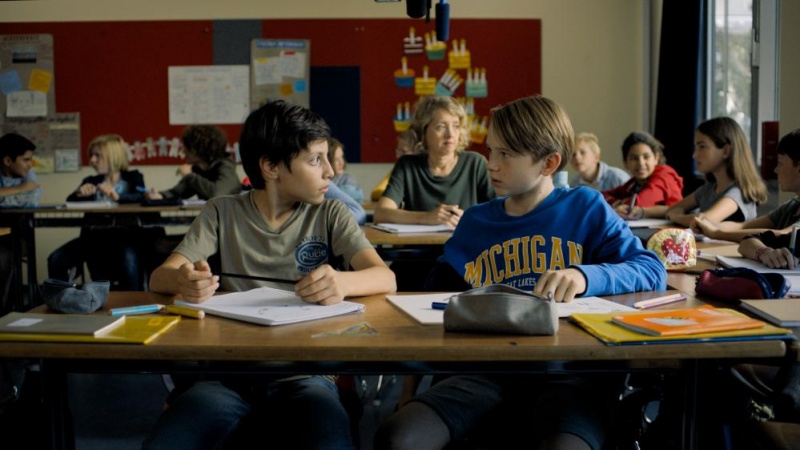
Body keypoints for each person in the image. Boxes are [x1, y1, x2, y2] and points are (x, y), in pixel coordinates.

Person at [375, 95, 666, 450]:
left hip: (569, 373)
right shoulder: (476, 221)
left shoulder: (585, 206)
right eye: (491, 151)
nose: (491, 164)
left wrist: (585, 276)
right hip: (489, 371)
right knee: (398, 438)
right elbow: (436, 294)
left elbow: (651, 269)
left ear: (549, 163)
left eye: (505, 154)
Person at [143, 99, 396, 450]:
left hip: (307, 374)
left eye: (327, 158)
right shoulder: (222, 211)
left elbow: (385, 277)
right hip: (227, 373)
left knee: (330, 440)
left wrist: (342, 282)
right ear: (271, 167)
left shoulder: (331, 214)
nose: (329, 172)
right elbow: (160, 277)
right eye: (315, 159)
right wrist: (184, 281)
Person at [46, 134, 162, 290]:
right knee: (56, 259)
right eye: (91, 155)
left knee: (129, 259)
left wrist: (118, 197)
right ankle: (63, 300)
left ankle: (134, 302)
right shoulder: (91, 180)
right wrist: (79, 194)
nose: (92, 160)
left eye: (97, 155)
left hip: (126, 238)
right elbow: (70, 201)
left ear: (113, 156)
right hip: (94, 239)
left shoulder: (133, 177)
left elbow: (141, 197)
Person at [373, 95, 494, 228]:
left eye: (456, 126)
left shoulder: (475, 163)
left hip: (465, 241)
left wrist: (468, 218)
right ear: (423, 131)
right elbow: (381, 213)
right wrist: (427, 217)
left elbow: (501, 211)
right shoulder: (407, 165)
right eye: (441, 127)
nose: (450, 134)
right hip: (419, 241)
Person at [693, 128, 800, 244]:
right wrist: (708, 226)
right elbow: (743, 226)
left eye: (780, 163)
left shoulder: (737, 191)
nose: (776, 170)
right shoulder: (791, 207)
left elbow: (784, 235)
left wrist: (717, 233)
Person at [664, 117, 767, 227]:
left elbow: (703, 221)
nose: (695, 155)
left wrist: (675, 217)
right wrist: (673, 213)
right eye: (696, 147)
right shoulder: (708, 189)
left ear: (726, 151)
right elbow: (673, 209)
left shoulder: (738, 192)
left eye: (702, 146)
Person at [144, 125, 241, 201]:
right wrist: (160, 195)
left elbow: (218, 194)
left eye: (186, 148)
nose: (183, 151)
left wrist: (190, 176)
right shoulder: (198, 169)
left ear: (197, 150)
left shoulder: (225, 166)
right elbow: (177, 192)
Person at [603, 131, 684, 219]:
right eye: (634, 158)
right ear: (625, 162)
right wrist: (618, 203)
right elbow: (603, 196)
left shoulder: (664, 175)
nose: (641, 163)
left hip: (673, 226)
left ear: (656, 158)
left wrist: (618, 204)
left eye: (646, 157)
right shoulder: (634, 182)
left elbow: (637, 203)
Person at [371, 128, 418, 202]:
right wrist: (393, 194)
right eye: (398, 150)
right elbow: (375, 193)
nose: (397, 156)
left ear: (417, 152)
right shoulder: (398, 170)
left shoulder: (424, 173)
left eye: (403, 152)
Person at [0, 132, 41, 208]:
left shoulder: (29, 174)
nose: (30, 165)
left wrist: (4, 193)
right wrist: (21, 188)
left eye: (30, 160)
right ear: (7, 161)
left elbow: (32, 201)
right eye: (25, 160)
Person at [329, 137, 364, 203]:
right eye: (336, 159)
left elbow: (359, 195)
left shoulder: (346, 179)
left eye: (342, 157)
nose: (341, 162)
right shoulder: (320, 179)